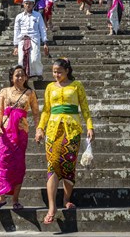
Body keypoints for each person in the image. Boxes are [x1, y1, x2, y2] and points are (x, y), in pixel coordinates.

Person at [35, 58, 94, 225]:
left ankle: (66, 199)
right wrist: (40, 128)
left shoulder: (77, 86)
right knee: (52, 165)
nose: (56, 75)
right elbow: (46, 110)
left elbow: (85, 108)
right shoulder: (49, 87)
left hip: (72, 130)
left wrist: (90, 127)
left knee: (68, 165)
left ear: (67, 70)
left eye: (59, 72)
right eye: (54, 72)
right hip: (53, 131)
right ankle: (52, 207)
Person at [0, 65, 39, 212]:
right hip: (4, 132)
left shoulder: (30, 93)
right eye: (17, 75)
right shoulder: (4, 92)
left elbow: (36, 113)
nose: (20, 78)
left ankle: (16, 199)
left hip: (21, 132)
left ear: (26, 77)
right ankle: (2, 196)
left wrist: (38, 129)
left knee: (18, 165)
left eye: (22, 75)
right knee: (2, 164)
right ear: (11, 77)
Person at [13, 0, 49, 79]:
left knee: (35, 59)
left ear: (33, 4)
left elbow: (42, 29)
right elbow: (16, 31)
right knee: (21, 60)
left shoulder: (37, 15)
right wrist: (15, 46)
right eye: (26, 3)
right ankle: (24, 76)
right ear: (23, 4)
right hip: (22, 39)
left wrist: (45, 42)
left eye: (30, 3)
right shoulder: (19, 17)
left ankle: (38, 73)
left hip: (34, 39)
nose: (28, 5)